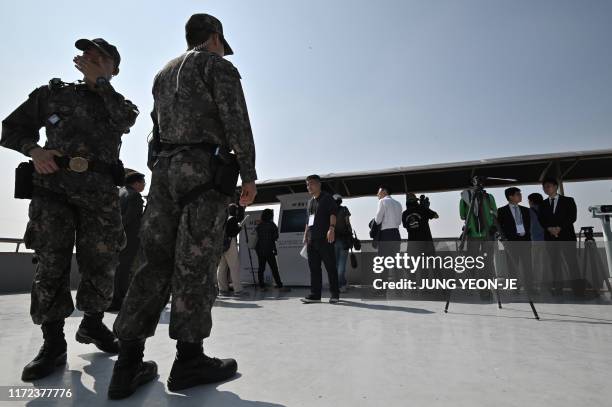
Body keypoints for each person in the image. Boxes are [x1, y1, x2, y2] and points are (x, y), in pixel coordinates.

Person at [109, 14, 257, 399]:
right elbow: (237, 120)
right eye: (223, 43)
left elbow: (155, 131)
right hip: (203, 174)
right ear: (214, 37)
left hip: (163, 175)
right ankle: (189, 360)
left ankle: (127, 364)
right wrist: (249, 175)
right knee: (195, 264)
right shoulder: (217, 67)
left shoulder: (161, 74)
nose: (224, 50)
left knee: (151, 264)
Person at [0, 38, 138, 381]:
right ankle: (52, 343)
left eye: (100, 55)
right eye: (87, 51)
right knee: (51, 265)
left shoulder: (119, 103)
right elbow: (11, 128)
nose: (90, 56)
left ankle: (92, 324)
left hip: (100, 196)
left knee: (102, 263)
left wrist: (102, 84)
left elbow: (125, 120)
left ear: (113, 67)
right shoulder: (53, 94)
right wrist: (33, 149)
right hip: (53, 191)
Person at [537, 177, 584, 296]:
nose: (546, 189)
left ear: (556, 187)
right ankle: (558, 289)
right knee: (554, 264)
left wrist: (559, 228)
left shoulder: (568, 200)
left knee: (572, 263)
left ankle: (578, 290)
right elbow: (541, 219)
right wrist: (549, 228)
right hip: (550, 238)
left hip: (567, 236)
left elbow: (572, 217)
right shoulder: (542, 204)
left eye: (548, 186)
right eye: (544, 187)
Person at [109, 170, 146, 311]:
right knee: (123, 270)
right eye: (143, 183)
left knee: (117, 269)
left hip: (115, 237)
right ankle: (117, 301)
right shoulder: (135, 196)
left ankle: (112, 298)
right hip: (128, 239)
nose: (144, 186)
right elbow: (128, 219)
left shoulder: (119, 192)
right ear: (136, 183)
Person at [301, 175, 340, 304]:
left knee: (330, 267)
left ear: (319, 184)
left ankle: (334, 294)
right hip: (312, 240)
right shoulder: (310, 202)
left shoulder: (327, 198)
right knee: (314, 268)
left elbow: (333, 214)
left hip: (325, 239)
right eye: (307, 184)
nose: (309, 186)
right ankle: (315, 294)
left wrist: (332, 228)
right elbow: (308, 220)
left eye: (311, 183)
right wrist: (305, 233)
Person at [459, 180, 497, 300]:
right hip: (487, 234)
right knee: (487, 261)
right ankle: (486, 287)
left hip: (473, 234)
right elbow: (495, 213)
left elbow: (462, 215)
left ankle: (472, 286)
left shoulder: (464, 198)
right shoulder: (489, 197)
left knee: (472, 261)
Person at [497, 187, 534, 294]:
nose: (521, 196)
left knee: (528, 265)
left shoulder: (525, 210)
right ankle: (514, 288)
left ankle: (529, 288)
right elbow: (499, 227)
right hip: (511, 242)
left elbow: (528, 225)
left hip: (525, 241)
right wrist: (504, 240)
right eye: (518, 194)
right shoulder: (502, 211)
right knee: (512, 266)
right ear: (510, 196)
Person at [255, 209, 289, 291]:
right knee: (274, 268)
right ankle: (280, 286)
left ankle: (261, 286)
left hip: (259, 249)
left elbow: (257, 236)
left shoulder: (259, 225)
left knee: (261, 268)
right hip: (269, 249)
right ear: (271, 216)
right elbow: (276, 237)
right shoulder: (272, 225)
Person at [218, 203, 247, 296]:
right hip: (230, 244)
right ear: (235, 210)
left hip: (222, 245)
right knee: (234, 266)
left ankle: (222, 289)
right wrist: (240, 227)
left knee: (221, 267)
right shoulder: (233, 219)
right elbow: (233, 233)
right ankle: (238, 289)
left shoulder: (223, 219)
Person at [333, 194, 352, 292]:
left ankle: (341, 284)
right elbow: (348, 224)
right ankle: (342, 284)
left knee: (337, 265)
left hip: (333, 240)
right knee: (341, 265)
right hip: (344, 239)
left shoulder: (330, 211)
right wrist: (351, 236)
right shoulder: (344, 210)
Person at [528, 192, 547, 289]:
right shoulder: (546, 210)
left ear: (531, 201)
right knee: (546, 263)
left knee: (535, 264)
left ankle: (537, 285)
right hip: (547, 240)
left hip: (534, 241)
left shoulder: (529, 212)